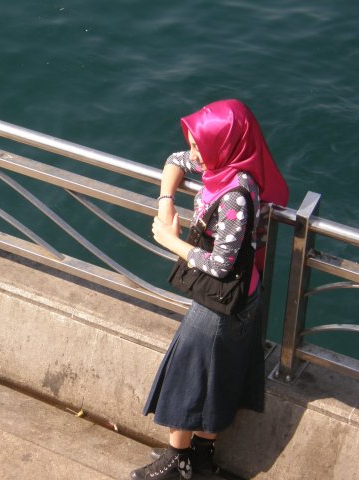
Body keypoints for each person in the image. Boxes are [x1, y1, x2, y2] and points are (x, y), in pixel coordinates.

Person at [130, 99, 289, 480]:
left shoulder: (235, 195)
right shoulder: (226, 164)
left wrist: (170, 240)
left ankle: (175, 461)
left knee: (189, 379)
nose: (195, 154)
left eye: (201, 145)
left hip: (221, 307)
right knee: (220, 382)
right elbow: (175, 160)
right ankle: (201, 458)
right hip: (242, 300)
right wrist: (166, 200)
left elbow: (220, 266)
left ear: (226, 144)